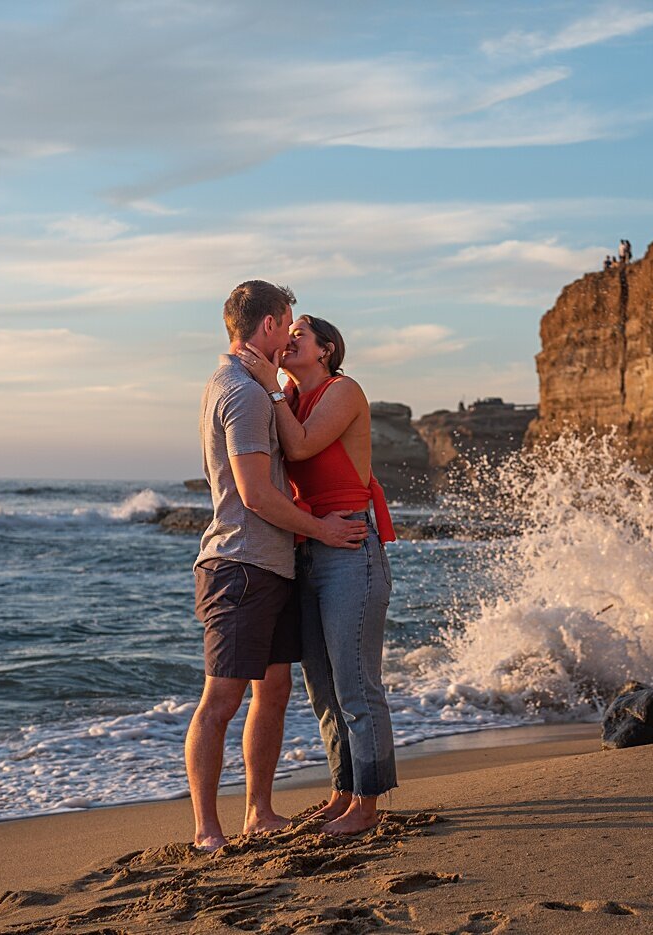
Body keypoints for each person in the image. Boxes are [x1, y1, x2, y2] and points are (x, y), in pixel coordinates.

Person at [186, 281, 369, 853]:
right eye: (286, 323)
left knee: (275, 689)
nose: (290, 333)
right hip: (239, 563)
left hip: (272, 564)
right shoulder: (240, 391)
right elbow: (256, 494)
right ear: (268, 325)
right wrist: (324, 530)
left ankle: (258, 812)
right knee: (221, 698)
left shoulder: (257, 389)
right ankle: (206, 831)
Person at [237, 315, 398, 836]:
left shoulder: (342, 389)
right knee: (322, 689)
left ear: (326, 349)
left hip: (349, 545)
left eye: (299, 334)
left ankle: (367, 806)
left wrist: (269, 389)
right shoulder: (285, 393)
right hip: (306, 547)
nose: (289, 339)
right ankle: (342, 791)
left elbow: (302, 447)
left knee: (355, 683)